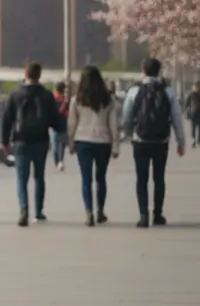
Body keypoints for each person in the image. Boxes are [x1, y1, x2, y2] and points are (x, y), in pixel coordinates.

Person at [120, 58, 187, 228]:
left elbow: (127, 115)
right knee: (159, 178)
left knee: (141, 178)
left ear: (143, 70)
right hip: (161, 140)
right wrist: (181, 141)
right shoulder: (168, 91)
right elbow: (176, 117)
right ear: (159, 71)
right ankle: (158, 214)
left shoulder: (134, 90)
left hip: (140, 140)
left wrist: (128, 134)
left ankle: (143, 215)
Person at [0, 62, 62, 227]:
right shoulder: (47, 95)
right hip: (41, 140)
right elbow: (55, 120)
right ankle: (39, 211)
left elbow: (7, 119)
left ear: (26, 75)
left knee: (21, 178)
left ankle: (24, 208)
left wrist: (5, 142)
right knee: (39, 177)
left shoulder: (15, 95)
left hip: (21, 140)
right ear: (39, 76)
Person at [66, 65, 119, 226]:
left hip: (83, 140)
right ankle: (100, 211)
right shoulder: (108, 100)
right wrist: (115, 145)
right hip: (103, 141)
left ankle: (88, 212)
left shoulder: (77, 100)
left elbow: (71, 123)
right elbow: (114, 125)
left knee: (86, 178)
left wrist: (71, 142)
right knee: (101, 178)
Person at [51, 82, 70, 171]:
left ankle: (60, 161)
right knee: (57, 145)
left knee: (60, 145)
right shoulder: (55, 100)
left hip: (60, 124)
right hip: (58, 124)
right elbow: (59, 112)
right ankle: (58, 161)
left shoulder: (63, 100)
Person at [186, 82, 200, 148]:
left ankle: (198, 139)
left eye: (197, 87)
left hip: (198, 112)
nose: (196, 88)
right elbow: (187, 103)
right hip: (193, 112)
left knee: (198, 126)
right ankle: (193, 140)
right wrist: (187, 110)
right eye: (195, 87)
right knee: (193, 127)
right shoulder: (191, 94)